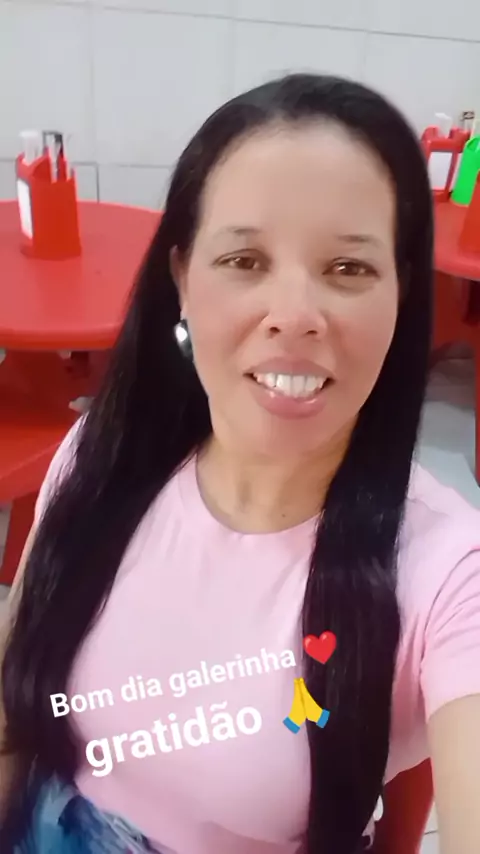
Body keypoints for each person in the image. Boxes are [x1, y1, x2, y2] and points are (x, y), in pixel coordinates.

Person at [1, 73, 479, 854]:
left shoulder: (449, 572)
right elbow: (13, 706)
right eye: (245, 259)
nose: (294, 315)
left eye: (349, 269)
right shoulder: (101, 455)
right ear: (182, 281)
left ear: (402, 295)